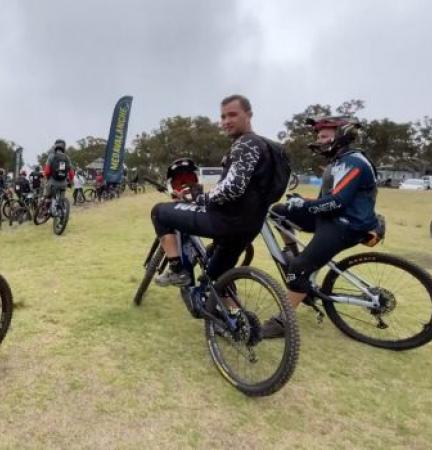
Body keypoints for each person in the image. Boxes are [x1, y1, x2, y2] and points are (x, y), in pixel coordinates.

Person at [262, 115, 379, 338]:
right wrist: (303, 202)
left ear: (342, 134)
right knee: (278, 212)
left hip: (345, 225)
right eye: (319, 136)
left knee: (297, 270)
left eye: (324, 136)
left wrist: (305, 204)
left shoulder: (352, 162)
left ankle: (283, 322)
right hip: (331, 218)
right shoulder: (339, 161)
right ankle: (295, 257)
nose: (320, 140)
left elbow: (337, 202)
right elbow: (328, 199)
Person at [150, 94, 276, 288]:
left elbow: (233, 188)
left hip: (225, 221)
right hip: (251, 225)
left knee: (159, 212)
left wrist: (199, 198)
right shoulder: (270, 147)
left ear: (249, 114)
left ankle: (177, 270)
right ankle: (234, 317)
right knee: (215, 279)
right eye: (223, 117)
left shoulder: (246, 143)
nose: (226, 121)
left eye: (232, 115)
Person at [43, 139, 74, 214]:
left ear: (55, 146)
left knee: (47, 196)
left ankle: (46, 210)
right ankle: (62, 214)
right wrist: (70, 181)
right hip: (63, 183)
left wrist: (47, 178)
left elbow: (46, 171)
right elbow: (71, 173)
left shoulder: (51, 156)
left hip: (52, 183)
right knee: (61, 199)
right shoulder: (67, 158)